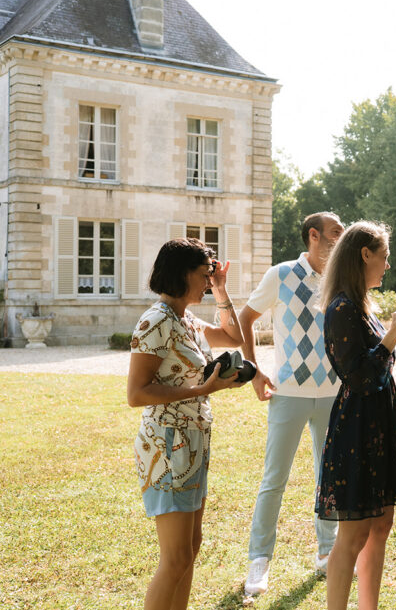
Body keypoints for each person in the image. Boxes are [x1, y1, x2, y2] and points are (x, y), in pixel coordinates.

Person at [127, 238, 245, 610]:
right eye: (205, 274)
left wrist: (223, 291)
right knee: (175, 557)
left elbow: (233, 336)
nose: (208, 282)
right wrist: (202, 388)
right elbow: (136, 393)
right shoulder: (156, 320)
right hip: (167, 445)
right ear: (182, 272)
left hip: (192, 441)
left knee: (190, 549)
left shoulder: (185, 320)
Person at [315, 221, 396, 610]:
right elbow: (358, 376)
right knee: (353, 535)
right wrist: (393, 335)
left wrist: (393, 331)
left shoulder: (361, 305)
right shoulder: (341, 306)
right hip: (358, 429)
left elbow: (376, 368)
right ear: (365, 254)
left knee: (380, 525)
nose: (388, 265)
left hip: (378, 424)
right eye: (385, 256)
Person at [239, 212, 345, 595]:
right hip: (288, 394)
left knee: (329, 477)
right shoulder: (281, 274)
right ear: (313, 236)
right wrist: (253, 370)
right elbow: (245, 317)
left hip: (334, 394)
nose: (341, 237)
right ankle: (259, 560)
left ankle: (327, 552)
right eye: (336, 232)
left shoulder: (341, 278)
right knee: (274, 480)